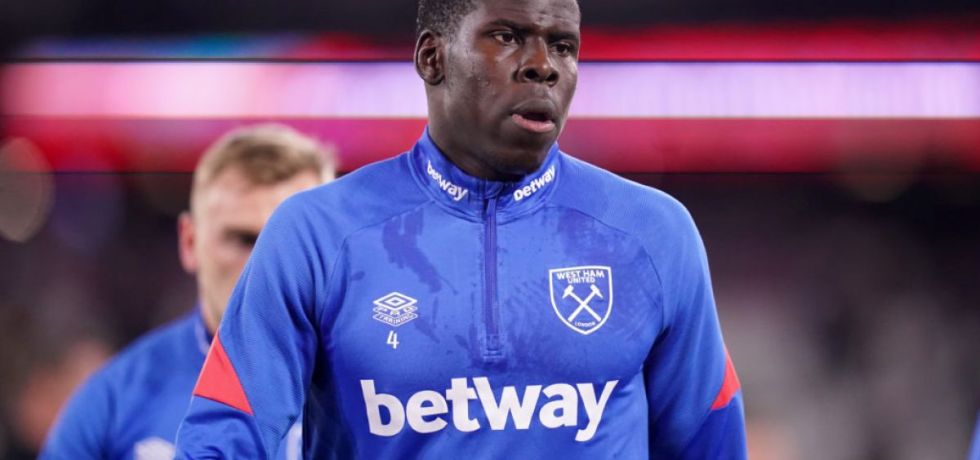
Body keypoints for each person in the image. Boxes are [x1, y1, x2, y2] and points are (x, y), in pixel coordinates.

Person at [176, 0, 747, 458]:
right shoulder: (317, 234)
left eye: (563, 45)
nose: (543, 65)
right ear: (432, 58)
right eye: (508, 36)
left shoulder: (653, 233)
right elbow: (224, 433)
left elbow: (711, 441)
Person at [39, 124, 336, 460]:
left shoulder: (375, 391)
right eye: (243, 239)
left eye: (290, 242)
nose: (264, 268)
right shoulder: (114, 403)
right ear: (190, 242)